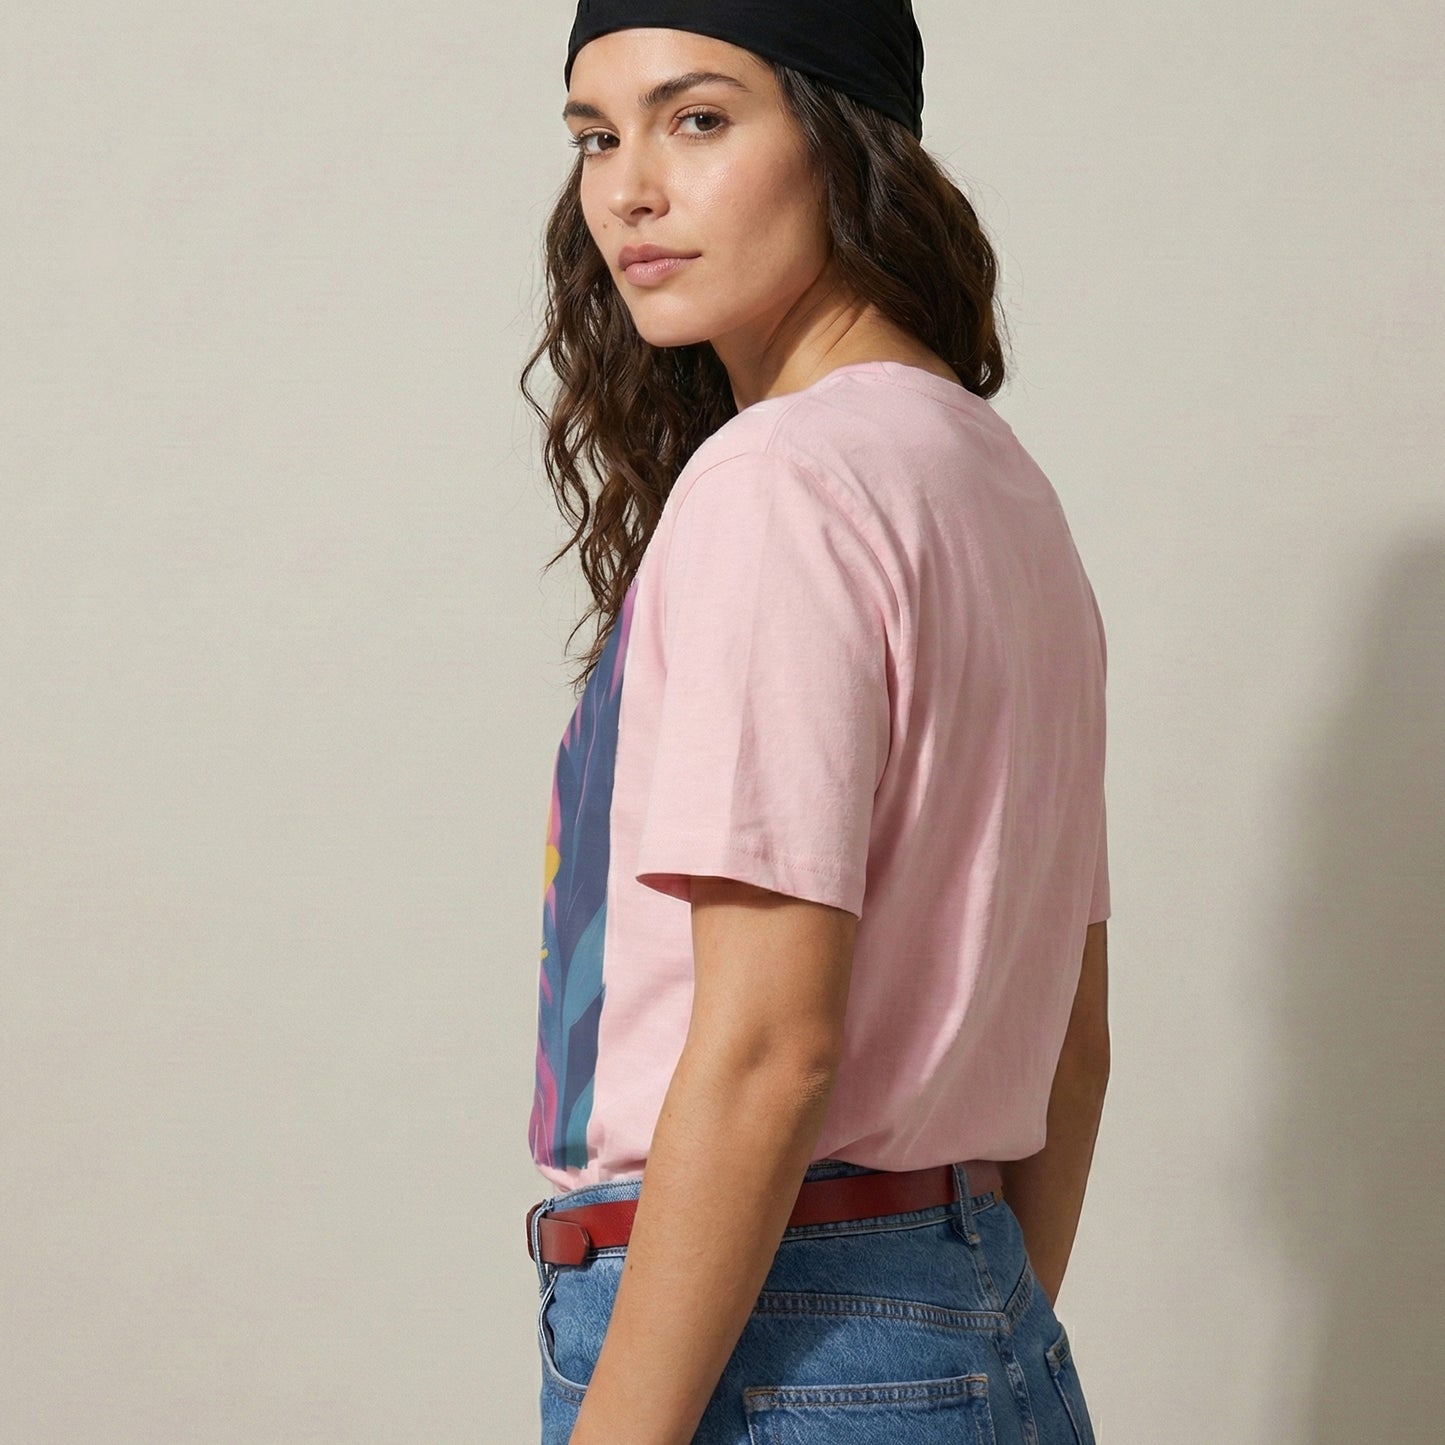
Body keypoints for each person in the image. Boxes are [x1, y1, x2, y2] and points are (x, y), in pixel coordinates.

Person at [520, 3, 1110, 1441]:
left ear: (846, 146)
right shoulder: (993, 481)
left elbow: (771, 1046)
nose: (629, 188)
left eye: (699, 118)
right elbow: (1073, 1036)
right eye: (597, 136)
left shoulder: (780, 480)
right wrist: (958, 1328)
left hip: (771, 1342)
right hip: (963, 1321)